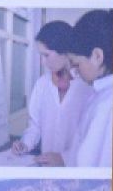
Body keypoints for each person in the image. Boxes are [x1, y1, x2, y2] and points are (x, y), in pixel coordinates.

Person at [18, 20, 91, 164]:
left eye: (46, 55)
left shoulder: (87, 87)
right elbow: (35, 126)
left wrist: (64, 158)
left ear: (64, 52)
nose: (43, 62)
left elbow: (90, 138)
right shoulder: (42, 84)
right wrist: (25, 144)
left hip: (76, 168)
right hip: (45, 166)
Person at [63, 10, 113, 169]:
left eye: (76, 64)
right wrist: (63, 158)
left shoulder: (107, 104)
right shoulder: (101, 94)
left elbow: (87, 164)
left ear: (97, 56)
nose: (74, 72)